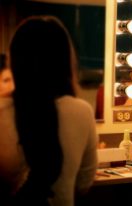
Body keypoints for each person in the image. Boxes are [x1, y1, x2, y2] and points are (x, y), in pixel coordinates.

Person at [4, 15, 98, 206]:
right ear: (65, 61)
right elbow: (83, 184)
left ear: (15, 62)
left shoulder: (3, 112)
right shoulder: (81, 112)